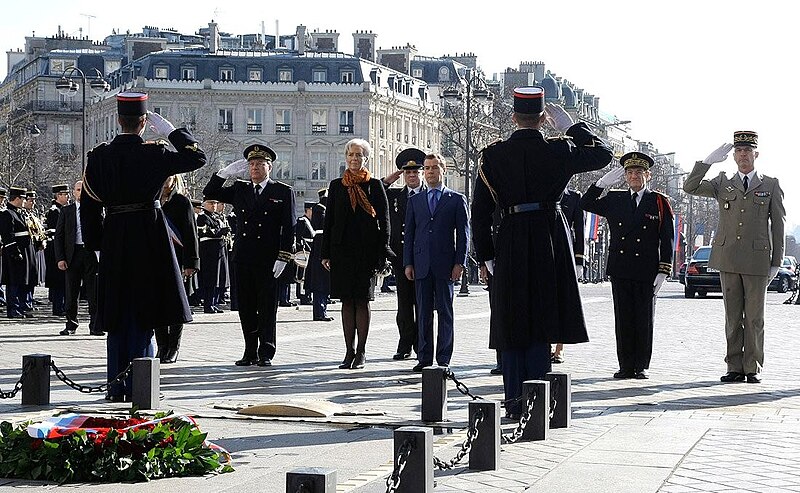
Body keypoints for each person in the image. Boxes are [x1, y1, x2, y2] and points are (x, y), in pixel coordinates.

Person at [471, 87, 613, 419]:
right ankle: (536, 402)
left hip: (510, 236)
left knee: (511, 318)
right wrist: (572, 127)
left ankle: (513, 401)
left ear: (512, 118)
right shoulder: (560, 149)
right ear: (543, 119)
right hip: (549, 235)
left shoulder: (492, 156)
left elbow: (479, 211)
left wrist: (486, 256)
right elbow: (603, 154)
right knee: (541, 318)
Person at [80, 92, 207, 401]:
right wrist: (171, 132)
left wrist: (97, 245)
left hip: (114, 236)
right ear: (142, 124)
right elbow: (197, 157)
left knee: (118, 311)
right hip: (148, 236)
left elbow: (89, 207)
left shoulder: (99, 156)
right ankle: (142, 385)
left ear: (118, 121)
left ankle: (116, 384)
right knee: (144, 309)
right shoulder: (156, 153)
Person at [683, 131, 785, 384]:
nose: (743, 156)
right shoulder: (722, 183)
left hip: (756, 260)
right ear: (733, 156)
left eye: (747, 151)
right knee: (732, 316)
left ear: (756, 154)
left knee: (754, 317)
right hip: (728, 257)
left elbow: (779, 225)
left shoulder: (770, 184)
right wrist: (706, 162)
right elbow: (690, 187)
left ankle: (752, 367)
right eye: (738, 151)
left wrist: (777, 261)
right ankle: (734, 366)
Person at [580, 152, 674, 379]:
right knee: (623, 319)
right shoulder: (615, 198)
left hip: (646, 269)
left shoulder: (659, 202)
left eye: (639, 173)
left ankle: (641, 365)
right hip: (621, 266)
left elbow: (667, 237)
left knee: (643, 318)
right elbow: (585, 202)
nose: (634, 177)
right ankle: (625, 365)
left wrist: (664, 270)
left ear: (648, 175)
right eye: (630, 173)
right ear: (624, 176)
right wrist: (601, 183)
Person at [203, 143, 295, 367]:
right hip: (243, 257)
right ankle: (249, 351)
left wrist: (283, 257)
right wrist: (224, 173)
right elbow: (210, 193)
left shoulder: (282, 191)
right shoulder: (240, 189)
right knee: (245, 307)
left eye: (259, 164)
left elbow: (289, 227)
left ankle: (266, 351)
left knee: (266, 307)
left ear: (269, 167)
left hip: (268, 259)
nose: (254, 168)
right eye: (251, 164)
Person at [321, 138, 391, 370]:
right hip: (341, 252)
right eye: (350, 155)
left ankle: (361, 351)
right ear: (346, 157)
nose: (354, 159)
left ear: (366, 159)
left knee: (362, 300)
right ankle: (348, 351)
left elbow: (385, 222)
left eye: (359, 155)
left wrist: (382, 253)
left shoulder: (374, 185)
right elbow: (329, 220)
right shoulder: (336, 185)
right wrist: (326, 253)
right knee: (346, 301)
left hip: (366, 252)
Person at [403, 153, 468, 371]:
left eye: (434, 168)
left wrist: (460, 262)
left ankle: (443, 358)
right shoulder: (415, 201)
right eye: (427, 168)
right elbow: (409, 234)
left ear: (443, 170)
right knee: (423, 313)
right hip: (421, 264)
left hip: (445, 265)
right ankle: (423, 357)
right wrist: (408, 263)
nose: (430, 172)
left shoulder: (456, 199)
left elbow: (464, 234)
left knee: (445, 312)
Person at [154, 174, 199, 363]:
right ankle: (161, 346)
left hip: (177, 259)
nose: (165, 180)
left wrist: (191, 263)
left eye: (169, 176)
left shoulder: (181, 201)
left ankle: (173, 347)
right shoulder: (152, 200)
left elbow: (190, 232)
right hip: (155, 259)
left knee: (175, 305)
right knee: (157, 305)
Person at [385, 148, 425, 361]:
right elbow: (375, 193)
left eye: (415, 172)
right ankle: (404, 344)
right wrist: (389, 179)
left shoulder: (429, 195)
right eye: (407, 172)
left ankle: (422, 345)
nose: (411, 176)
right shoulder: (395, 196)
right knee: (404, 304)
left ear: (421, 173)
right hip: (401, 256)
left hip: (424, 256)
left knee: (423, 303)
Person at [54, 180, 102, 336]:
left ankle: (95, 325)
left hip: (90, 253)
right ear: (73, 192)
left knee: (94, 292)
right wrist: (60, 258)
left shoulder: (96, 209)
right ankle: (71, 324)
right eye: (77, 190)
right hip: (73, 254)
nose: (80, 192)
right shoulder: (66, 211)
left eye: (83, 190)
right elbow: (59, 236)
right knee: (71, 291)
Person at [551, 187, 586, 364]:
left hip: (565, 253)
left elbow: (579, 230)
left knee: (563, 301)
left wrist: (579, 260)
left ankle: (559, 347)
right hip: (547, 252)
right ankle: (546, 344)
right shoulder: (545, 190)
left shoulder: (574, 197)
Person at [0, 186, 37, 318]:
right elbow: (7, 235)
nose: (24, 201)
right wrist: (14, 251)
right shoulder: (7, 213)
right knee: (14, 281)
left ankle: (22, 306)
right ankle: (13, 308)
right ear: (16, 198)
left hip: (25, 250)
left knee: (23, 280)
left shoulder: (19, 213)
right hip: (15, 252)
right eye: (23, 198)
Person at [196, 199, 229, 313]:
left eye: (215, 203)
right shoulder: (202, 217)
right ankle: (208, 304)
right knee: (210, 278)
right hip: (209, 251)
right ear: (204, 204)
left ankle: (214, 302)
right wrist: (221, 231)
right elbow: (206, 232)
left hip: (218, 250)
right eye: (211, 203)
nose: (214, 206)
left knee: (217, 278)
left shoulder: (215, 216)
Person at [305, 189, 333, 321]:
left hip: (322, 250)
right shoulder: (320, 210)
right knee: (319, 284)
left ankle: (322, 310)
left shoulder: (323, 210)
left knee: (323, 283)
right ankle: (320, 311)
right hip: (320, 252)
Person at [45, 184, 70, 316]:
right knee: (58, 280)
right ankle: (58, 306)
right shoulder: (55, 211)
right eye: (64, 194)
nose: (67, 196)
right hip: (56, 249)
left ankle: (62, 305)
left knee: (63, 280)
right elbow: (56, 232)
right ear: (58, 196)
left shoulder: (63, 209)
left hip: (61, 247)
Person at [293, 203, 315, 305]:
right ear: (308, 210)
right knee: (301, 275)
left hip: (310, 249)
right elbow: (299, 237)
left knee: (308, 275)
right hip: (304, 250)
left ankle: (307, 295)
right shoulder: (302, 221)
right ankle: (302, 295)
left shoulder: (309, 221)